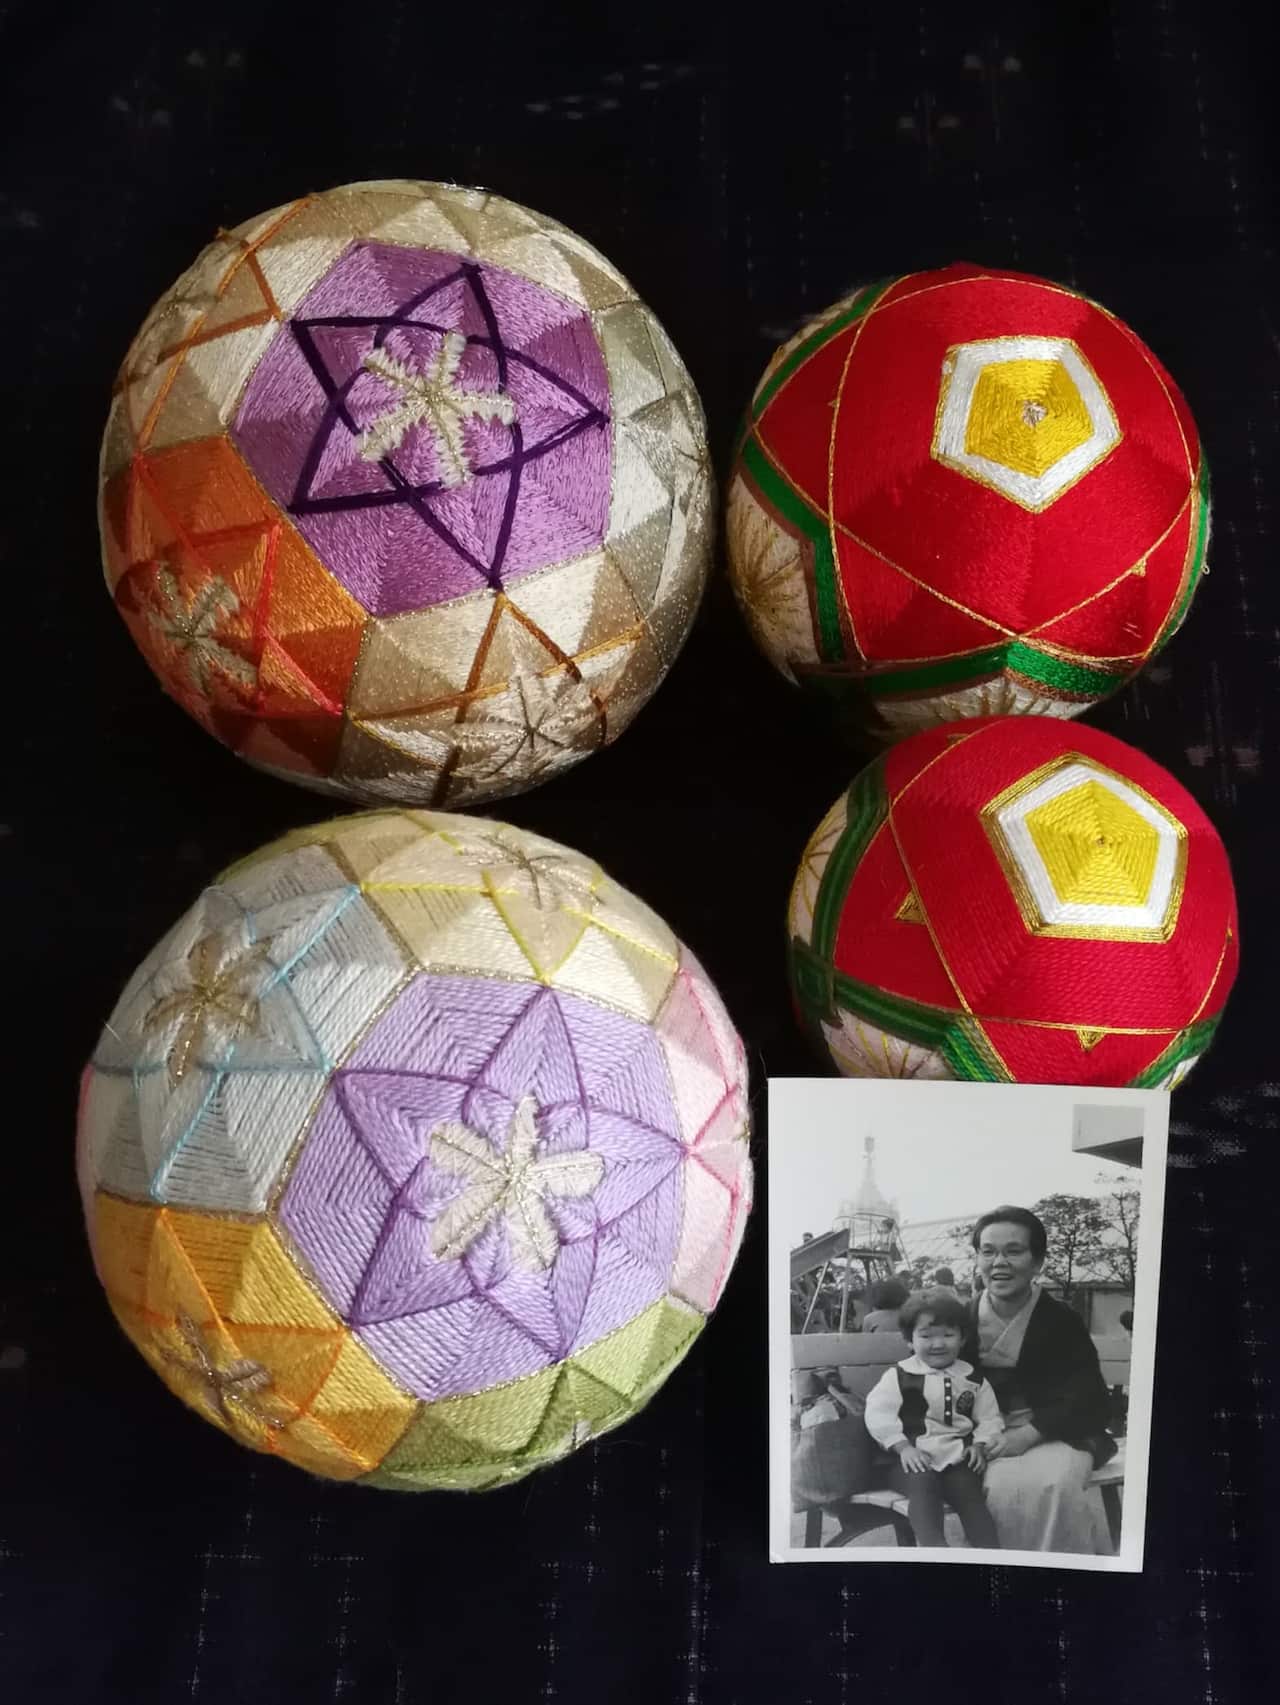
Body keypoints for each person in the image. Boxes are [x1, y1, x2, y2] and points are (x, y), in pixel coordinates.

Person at [963, 1206, 1116, 1554]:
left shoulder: (1062, 1320)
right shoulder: (960, 1319)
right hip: (987, 1438)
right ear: (977, 1259)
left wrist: (1030, 1433)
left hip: (1057, 1432)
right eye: (988, 1251)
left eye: (1013, 1251)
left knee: (1053, 1484)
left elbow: (1088, 1396)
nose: (999, 1263)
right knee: (1000, 1486)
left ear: (1038, 1262)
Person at [864, 1289, 1003, 1548]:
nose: (938, 1344)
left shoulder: (972, 1378)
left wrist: (980, 1444)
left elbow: (990, 1417)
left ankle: (989, 1554)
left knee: (969, 1491)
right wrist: (902, 1447)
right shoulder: (900, 1375)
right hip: (907, 1459)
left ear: (962, 1339)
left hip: (955, 1457)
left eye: (948, 1335)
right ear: (910, 1340)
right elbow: (877, 1413)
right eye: (926, 1336)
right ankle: (935, 1550)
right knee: (923, 1485)